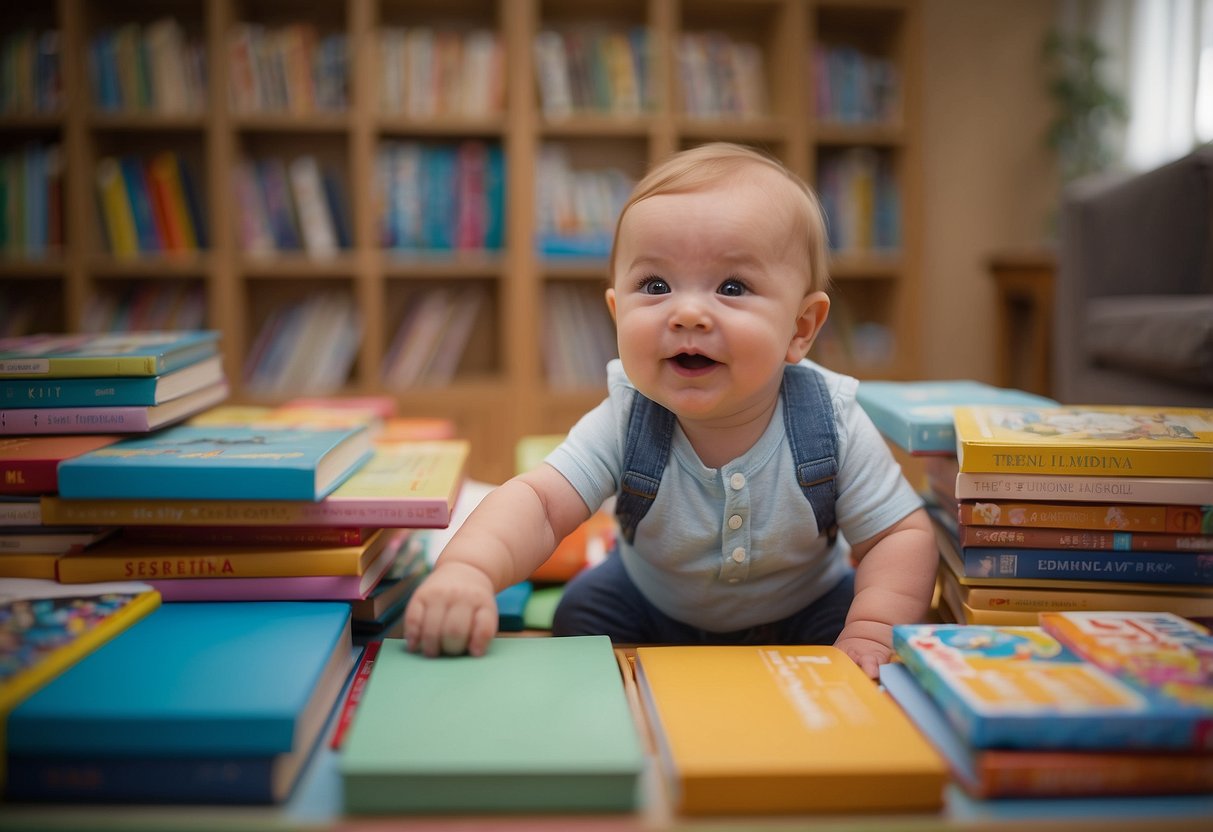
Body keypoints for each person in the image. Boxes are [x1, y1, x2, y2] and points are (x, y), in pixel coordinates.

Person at [403, 142, 938, 678]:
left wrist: (871, 627)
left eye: (732, 287)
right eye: (655, 286)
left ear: (800, 329)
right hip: (648, 601)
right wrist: (468, 570)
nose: (687, 313)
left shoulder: (832, 419)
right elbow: (540, 506)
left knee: (859, 636)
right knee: (577, 616)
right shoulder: (625, 417)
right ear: (617, 312)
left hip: (805, 608)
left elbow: (897, 535)